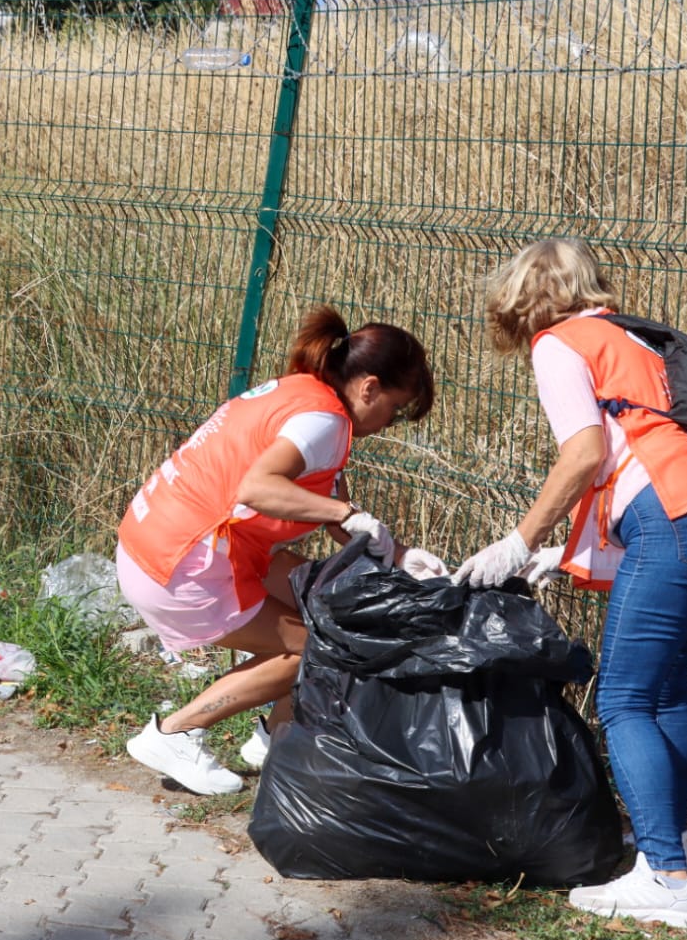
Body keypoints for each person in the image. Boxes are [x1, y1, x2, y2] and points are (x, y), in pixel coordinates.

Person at [453, 237, 687, 928]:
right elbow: (637, 445)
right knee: (665, 687)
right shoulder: (634, 338)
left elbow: (585, 454)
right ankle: (673, 847)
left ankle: (667, 879)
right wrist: (562, 550)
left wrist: (518, 539)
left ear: (522, 296)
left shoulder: (559, 343)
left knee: (623, 698)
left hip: (672, 515)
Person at [116, 305, 443, 795]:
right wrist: (347, 514)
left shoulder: (303, 392)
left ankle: (275, 740)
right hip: (182, 562)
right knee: (318, 649)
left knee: (325, 610)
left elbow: (326, 502)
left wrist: (398, 555)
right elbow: (258, 488)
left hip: (156, 541)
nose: (388, 422)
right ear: (369, 387)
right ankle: (176, 733)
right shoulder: (325, 421)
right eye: (394, 408)